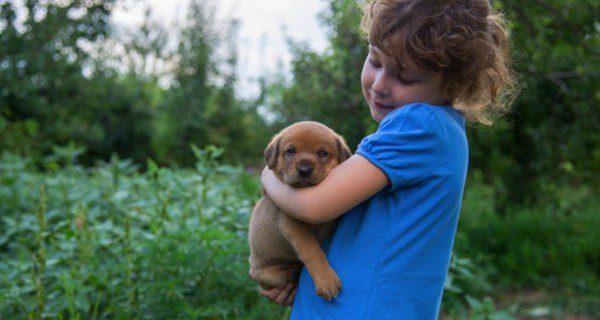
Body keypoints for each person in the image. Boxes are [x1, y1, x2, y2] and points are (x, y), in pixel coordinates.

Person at [260, 0, 516, 318]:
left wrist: (268, 176)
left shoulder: (419, 125)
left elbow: (313, 207)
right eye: (375, 60)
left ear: (453, 84)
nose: (380, 85)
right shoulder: (441, 130)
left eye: (405, 78)